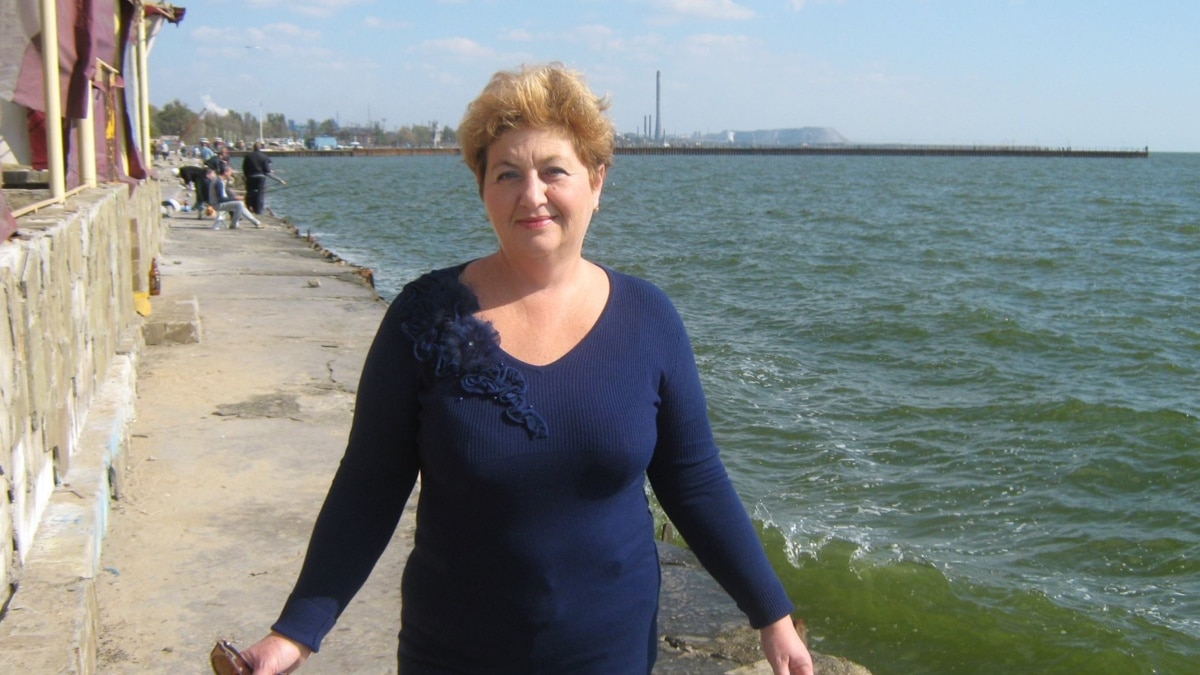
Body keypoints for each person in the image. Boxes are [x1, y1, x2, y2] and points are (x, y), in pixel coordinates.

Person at [238, 63, 813, 675]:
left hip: (611, 654)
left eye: (553, 171)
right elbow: (369, 485)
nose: (531, 195)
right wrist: (296, 632)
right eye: (507, 174)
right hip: (453, 656)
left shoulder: (650, 318)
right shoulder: (423, 318)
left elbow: (693, 480)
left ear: (596, 181)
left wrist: (771, 615)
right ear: (482, 187)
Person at [208, 165, 260, 229]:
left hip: (220, 202)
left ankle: (256, 222)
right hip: (217, 204)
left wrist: (235, 197)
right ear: (225, 172)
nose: (231, 174)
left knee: (240, 204)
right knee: (239, 204)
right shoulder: (219, 182)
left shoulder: (221, 180)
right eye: (230, 172)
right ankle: (234, 224)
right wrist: (235, 198)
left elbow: (227, 191)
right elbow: (221, 199)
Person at [241, 141, 282, 214]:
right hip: (261, 177)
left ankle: (249, 206)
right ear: (260, 148)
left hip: (250, 177)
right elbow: (267, 170)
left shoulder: (248, 156)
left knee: (250, 192)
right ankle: (258, 210)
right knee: (260, 194)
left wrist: (247, 176)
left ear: (253, 147)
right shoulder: (264, 156)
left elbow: (244, 167)